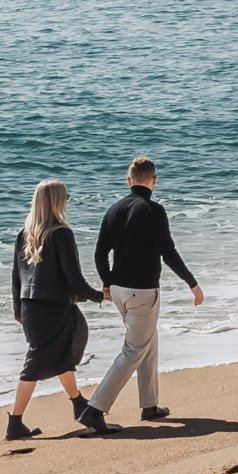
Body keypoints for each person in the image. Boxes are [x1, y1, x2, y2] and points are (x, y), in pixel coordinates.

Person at [79, 155, 204, 432]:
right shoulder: (154, 211)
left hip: (120, 292)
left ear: (129, 181)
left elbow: (100, 253)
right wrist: (191, 283)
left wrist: (107, 283)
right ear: (154, 180)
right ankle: (94, 409)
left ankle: (150, 405)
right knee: (134, 349)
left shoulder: (113, 210)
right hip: (142, 292)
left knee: (149, 341)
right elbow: (168, 252)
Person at [6, 179, 104, 440]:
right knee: (34, 366)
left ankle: (79, 405)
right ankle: (14, 423)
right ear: (57, 201)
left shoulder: (24, 234)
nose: (68, 200)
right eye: (66, 197)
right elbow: (74, 279)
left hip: (31, 308)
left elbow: (16, 278)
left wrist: (18, 310)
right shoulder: (61, 233)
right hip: (53, 308)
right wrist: (100, 296)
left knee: (62, 353)